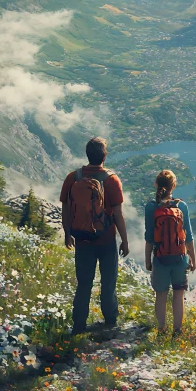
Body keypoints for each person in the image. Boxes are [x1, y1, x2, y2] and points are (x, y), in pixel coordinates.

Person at [60, 137, 129, 335]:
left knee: (84, 283)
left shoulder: (73, 178)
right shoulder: (111, 180)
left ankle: (79, 325)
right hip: (106, 240)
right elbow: (117, 214)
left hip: (82, 239)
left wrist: (67, 234)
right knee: (108, 282)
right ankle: (110, 321)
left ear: (87, 154)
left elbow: (65, 208)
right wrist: (124, 240)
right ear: (104, 156)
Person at [144, 169, 196, 334]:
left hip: (160, 258)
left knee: (161, 295)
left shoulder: (151, 207)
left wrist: (148, 260)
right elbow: (188, 236)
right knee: (178, 295)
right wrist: (193, 258)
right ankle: (177, 331)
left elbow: (149, 237)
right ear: (173, 186)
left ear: (156, 185)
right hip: (180, 258)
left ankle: (161, 330)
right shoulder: (182, 206)